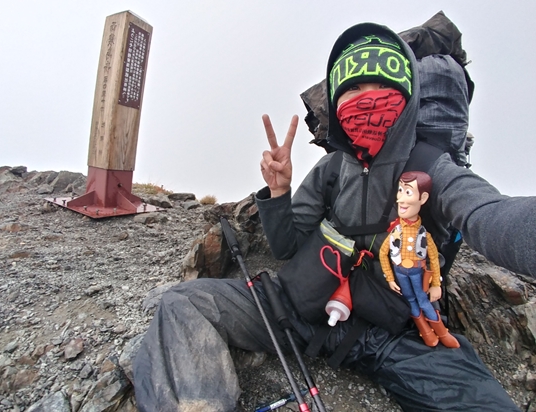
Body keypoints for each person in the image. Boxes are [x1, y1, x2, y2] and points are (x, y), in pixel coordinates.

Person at [133, 22, 534, 412]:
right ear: (337, 105)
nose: (367, 98)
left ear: (408, 95)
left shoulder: (434, 169)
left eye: (382, 86)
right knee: (188, 302)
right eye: (353, 88)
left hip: (397, 340)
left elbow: (489, 214)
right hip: (300, 311)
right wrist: (278, 193)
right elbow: (288, 245)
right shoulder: (333, 168)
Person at [379, 171, 459, 348]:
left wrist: (436, 283)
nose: (400, 199)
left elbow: (433, 258)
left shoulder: (423, 234)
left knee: (423, 299)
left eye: (408, 192)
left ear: (422, 198)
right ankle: (425, 330)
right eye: (400, 191)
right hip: (400, 271)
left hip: (417, 271)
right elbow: (383, 253)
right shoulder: (395, 232)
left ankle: (442, 332)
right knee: (410, 299)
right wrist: (390, 278)